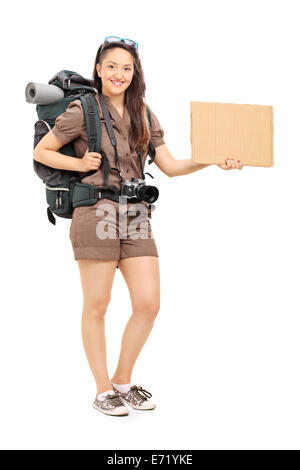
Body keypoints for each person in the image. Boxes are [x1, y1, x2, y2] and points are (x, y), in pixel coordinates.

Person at [33, 36, 243, 417]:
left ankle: (123, 380)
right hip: (95, 210)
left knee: (148, 303)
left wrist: (212, 160)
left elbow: (171, 166)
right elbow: (42, 151)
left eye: (127, 68)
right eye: (111, 66)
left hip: (135, 215)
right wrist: (80, 166)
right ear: (98, 69)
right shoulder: (84, 108)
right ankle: (101, 390)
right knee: (98, 304)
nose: (119, 74)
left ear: (135, 72)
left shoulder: (143, 111)